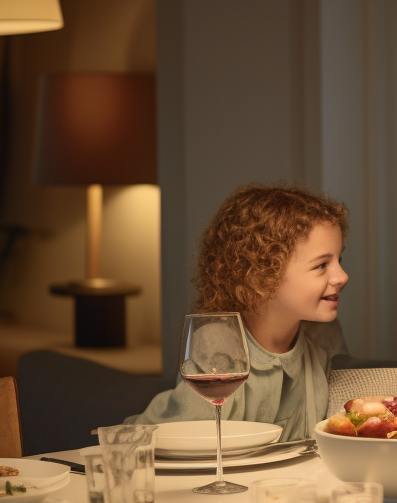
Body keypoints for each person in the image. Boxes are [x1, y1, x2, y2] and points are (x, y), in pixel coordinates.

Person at [129, 183, 350, 441]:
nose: (342, 276)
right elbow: (198, 445)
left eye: (339, 260)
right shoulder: (218, 341)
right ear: (260, 275)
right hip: (154, 448)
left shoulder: (323, 334)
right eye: (322, 265)